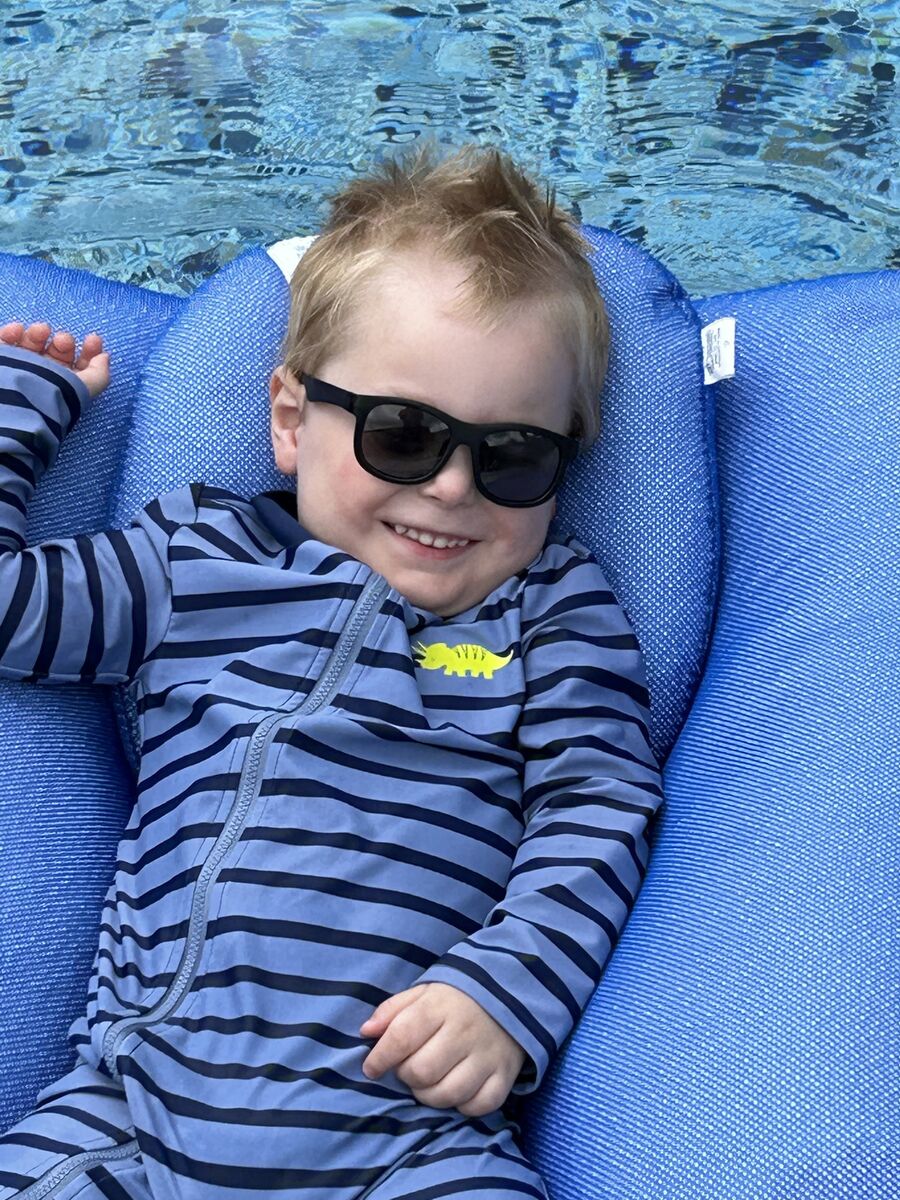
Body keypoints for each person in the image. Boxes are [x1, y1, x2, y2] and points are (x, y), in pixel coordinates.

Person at [0, 141, 663, 1200]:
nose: (451, 488)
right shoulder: (194, 564)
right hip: (129, 1114)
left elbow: (598, 805)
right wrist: (19, 417)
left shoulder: (550, 613)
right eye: (404, 436)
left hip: (405, 1139)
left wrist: (507, 991)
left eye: (514, 456)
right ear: (292, 420)